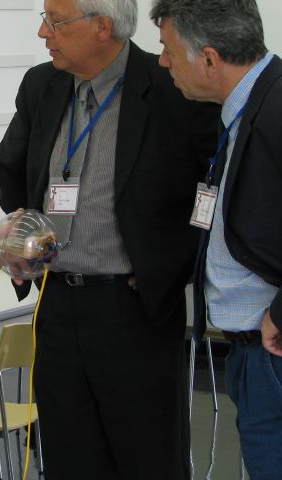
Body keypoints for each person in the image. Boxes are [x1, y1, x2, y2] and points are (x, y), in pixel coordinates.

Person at [0, 0, 219, 478]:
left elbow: (213, 188)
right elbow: (9, 165)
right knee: (69, 458)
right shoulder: (41, 85)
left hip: (133, 310)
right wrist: (24, 229)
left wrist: (169, 267)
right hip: (57, 305)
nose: (42, 32)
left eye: (55, 21)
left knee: (146, 459)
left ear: (102, 26)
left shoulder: (170, 85)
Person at [151, 1, 282, 478]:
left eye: (168, 50)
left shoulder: (275, 109)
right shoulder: (247, 110)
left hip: (272, 351)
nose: (162, 61)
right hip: (253, 352)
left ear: (208, 58)